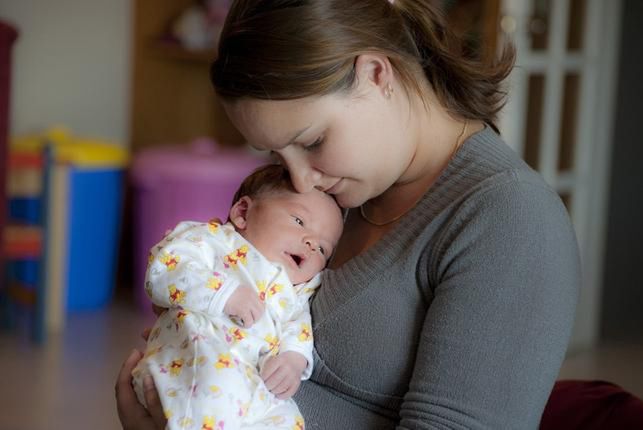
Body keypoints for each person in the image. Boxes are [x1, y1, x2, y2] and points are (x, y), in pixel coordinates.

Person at [116, 1, 580, 428]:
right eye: (277, 156)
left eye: (313, 141)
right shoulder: (342, 193)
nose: (300, 181)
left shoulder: (508, 220)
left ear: (377, 74)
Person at [130, 164, 343, 429]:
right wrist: (223, 292)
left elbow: (298, 327)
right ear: (243, 213)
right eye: (299, 221)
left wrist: (293, 360)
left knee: (289, 420)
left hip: (255, 382)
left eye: (323, 248)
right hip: (195, 362)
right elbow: (165, 269)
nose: (312, 243)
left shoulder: (299, 290)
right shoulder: (213, 241)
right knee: (214, 390)